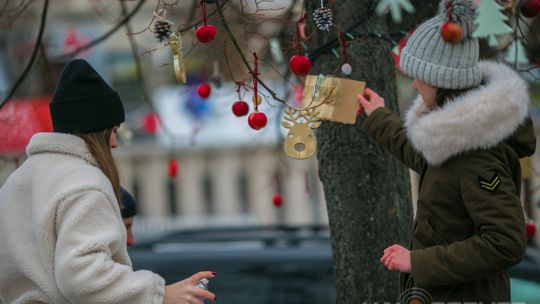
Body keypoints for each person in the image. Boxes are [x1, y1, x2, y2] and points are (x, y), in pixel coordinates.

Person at [356, 0, 536, 302]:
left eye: (419, 76)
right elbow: (425, 157)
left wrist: (417, 262)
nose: (413, 84)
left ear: (442, 81)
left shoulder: (477, 153)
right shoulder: (455, 139)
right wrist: (378, 117)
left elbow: (505, 243)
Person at [0, 59, 216, 304]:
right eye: (113, 130)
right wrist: (159, 295)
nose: (114, 143)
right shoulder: (84, 182)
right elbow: (83, 276)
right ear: (97, 131)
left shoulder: (18, 179)